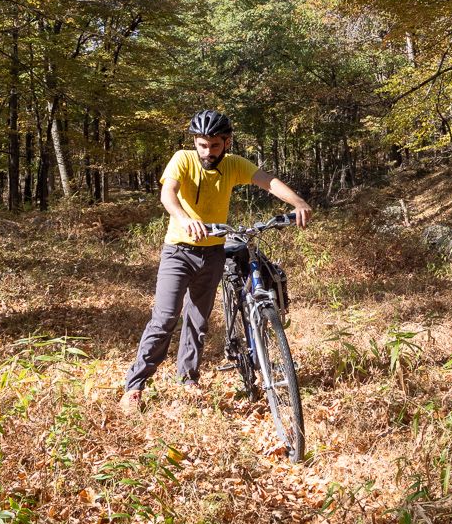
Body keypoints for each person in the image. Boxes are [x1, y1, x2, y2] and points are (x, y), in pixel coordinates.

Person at [121, 110, 312, 413]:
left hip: (213, 253)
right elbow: (167, 194)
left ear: (226, 142)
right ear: (194, 143)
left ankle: (188, 377)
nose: (207, 152)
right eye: (202, 145)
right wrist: (184, 220)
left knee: (198, 320)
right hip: (178, 251)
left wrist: (298, 202)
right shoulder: (182, 159)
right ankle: (135, 386)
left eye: (214, 146)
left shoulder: (234, 165)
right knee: (166, 318)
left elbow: (269, 181)